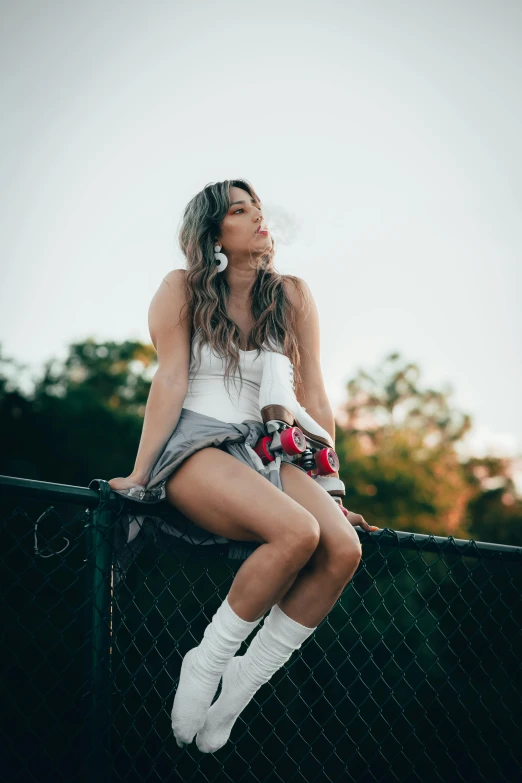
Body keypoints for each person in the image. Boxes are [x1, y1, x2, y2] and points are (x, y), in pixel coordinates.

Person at [108, 179, 377, 754]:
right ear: (213, 234)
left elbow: (314, 395)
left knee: (343, 548)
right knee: (295, 532)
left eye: (258, 208)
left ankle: (238, 689)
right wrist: (139, 473)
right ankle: (206, 661)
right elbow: (172, 380)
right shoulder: (180, 288)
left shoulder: (294, 295)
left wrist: (330, 491)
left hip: (266, 452)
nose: (257, 218)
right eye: (239, 210)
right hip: (198, 446)